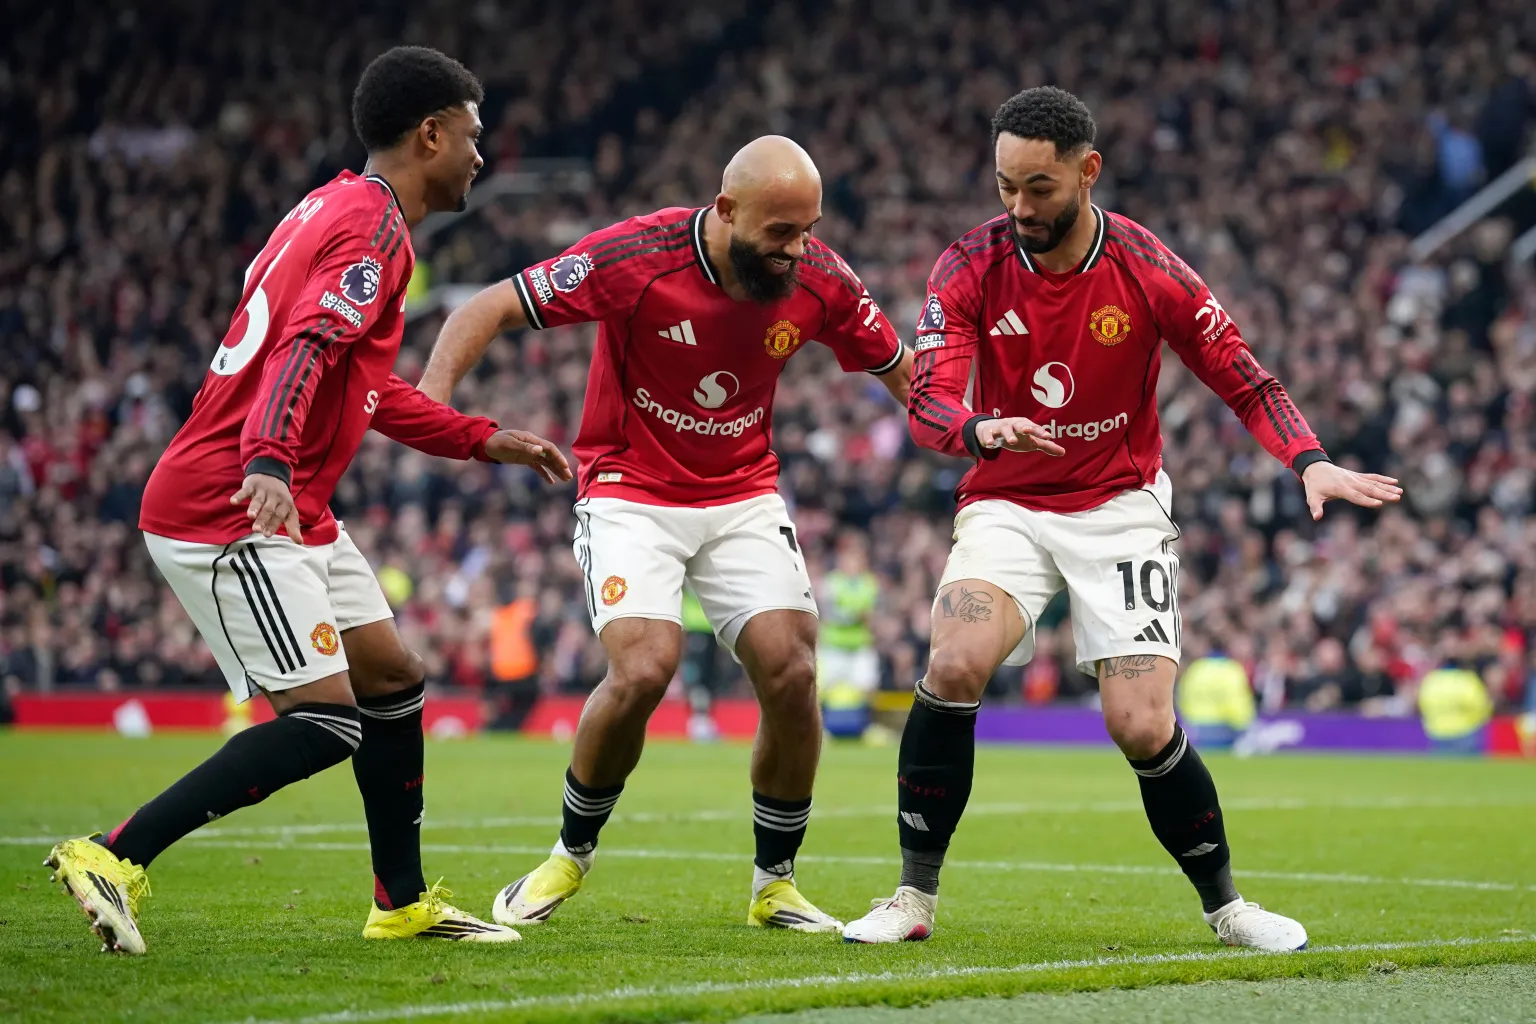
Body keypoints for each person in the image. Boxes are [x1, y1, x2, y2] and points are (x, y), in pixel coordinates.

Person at [842, 87, 1402, 949]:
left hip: (1120, 506)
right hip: (1008, 499)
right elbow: (928, 401)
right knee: (953, 662)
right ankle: (912, 899)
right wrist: (980, 428)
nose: (1019, 208)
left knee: (1140, 722)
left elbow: (1241, 373)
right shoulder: (968, 265)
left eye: (1038, 187)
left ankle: (1227, 908)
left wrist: (1309, 458)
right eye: (1005, 187)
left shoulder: (1147, 267)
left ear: (1088, 171)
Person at [44, 46, 572, 955]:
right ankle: (112, 854)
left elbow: (359, 383)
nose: (481, 155)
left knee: (393, 678)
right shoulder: (373, 231)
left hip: (292, 504)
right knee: (327, 720)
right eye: (472, 136)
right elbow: (306, 350)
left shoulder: (335, 207)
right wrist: (269, 461)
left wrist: (479, 437)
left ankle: (400, 902)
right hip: (233, 505)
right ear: (430, 134)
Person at [419, 135, 913, 933]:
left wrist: (974, 430)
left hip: (742, 493)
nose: (796, 249)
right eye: (780, 232)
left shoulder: (820, 275)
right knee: (646, 666)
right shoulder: (636, 256)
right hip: (631, 490)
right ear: (726, 210)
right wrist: (433, 405)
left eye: (807, 230)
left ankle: (775, 884)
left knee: (792, 671)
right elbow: (489, 306)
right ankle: (570, 854)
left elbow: (904, 371)